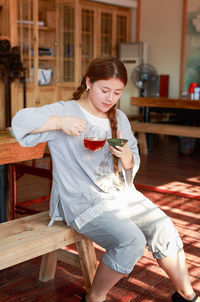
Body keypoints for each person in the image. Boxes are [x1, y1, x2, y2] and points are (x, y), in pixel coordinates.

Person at [12, 56, 199, 302]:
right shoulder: (65, 111)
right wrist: (58, 122)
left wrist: (127, 158)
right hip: (81, 200)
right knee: (131, 241)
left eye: (117, 92)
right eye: (104, 90)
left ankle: (187, 295)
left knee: (163, 226)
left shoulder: (118, 118)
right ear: (89, 82)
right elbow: (19, 122)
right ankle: (94, 297)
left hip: (119, 194)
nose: (110, 98)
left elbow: (132, 161)